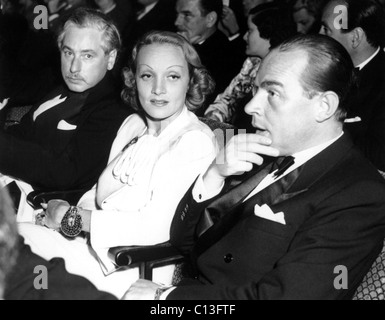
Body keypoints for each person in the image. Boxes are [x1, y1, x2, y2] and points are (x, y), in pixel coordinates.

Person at [124, 34, 385, 300]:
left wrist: (165, 299)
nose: (250, 107)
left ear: (324, 106)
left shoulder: (359, 194)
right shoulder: (265, 151)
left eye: (272, 93)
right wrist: (214, 174)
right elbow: (184, 241)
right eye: (255, 90)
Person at [16, 30, 218, 299]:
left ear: (190, 82)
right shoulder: (136, 128)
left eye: (172, 76)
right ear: (134, 80)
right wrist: (66, 219)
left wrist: (68, 217)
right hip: (85, 247)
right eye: (147, 75)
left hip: (131, 267)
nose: (158, 89)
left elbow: (154, 227)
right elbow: (96, 194)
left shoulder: (195, 140)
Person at [0, 8, 131, 207]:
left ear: (111, 58)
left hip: (39, 203)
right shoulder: (59, 88)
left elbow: (67, 172)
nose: (74, 68)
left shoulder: (113, 108)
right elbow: (22, 133)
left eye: (87, 56)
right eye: (68, 52)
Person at [205, 2, 297, 132]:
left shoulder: (286, 72)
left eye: (250, 31)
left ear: (268, 33)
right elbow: (228, 98)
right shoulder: (252, 63)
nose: (244, 36)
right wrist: (210, 122)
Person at [320, 0, 385, 171]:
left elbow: (380, 157)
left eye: (326, 29)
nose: (318, 35)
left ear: (355, 38)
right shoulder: (324, 67)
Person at [175, 0, 244, 113]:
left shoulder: (226, 55)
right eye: (177, 14)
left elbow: (199, 102)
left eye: (187, 15)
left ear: (210, 19)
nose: (177, 22)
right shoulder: (176, 43)